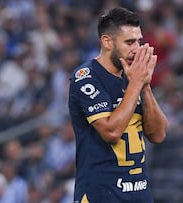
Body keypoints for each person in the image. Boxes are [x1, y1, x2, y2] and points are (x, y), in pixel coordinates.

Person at [68, 7, 167, 203]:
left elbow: (158, 135)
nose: (137, 49)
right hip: (101, 194)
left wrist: (145, 88)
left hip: (140, 193)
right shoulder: (86, 78)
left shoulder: (133, 76)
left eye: (139, 41)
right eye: (129, 42)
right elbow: (111, 131)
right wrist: (136, 84)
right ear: (107, 41)